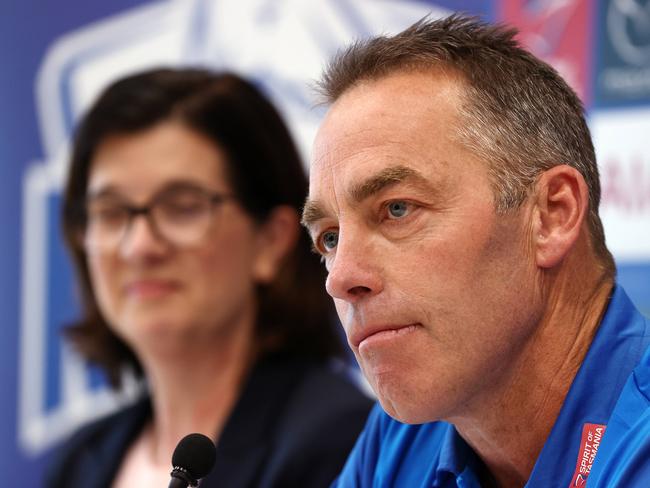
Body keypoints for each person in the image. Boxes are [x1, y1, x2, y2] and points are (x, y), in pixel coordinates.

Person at [301, 14, 650, 488]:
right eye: (330, 238)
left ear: (551, 215)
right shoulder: (401, 439)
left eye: (397, 209)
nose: (340, 278)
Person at [46, 68, 372, 488]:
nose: (139, 246)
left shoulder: (337, 443)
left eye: (182, 207)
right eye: (111, 213)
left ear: (271, 241)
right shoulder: (80, 460)